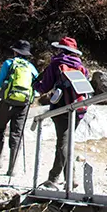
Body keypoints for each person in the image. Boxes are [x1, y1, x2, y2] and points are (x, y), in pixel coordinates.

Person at [33, 37, 89, 186]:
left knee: (63, 143)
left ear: (60, 49)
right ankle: (67, 177)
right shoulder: (81, 67)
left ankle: (57, 178)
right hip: (78, 108)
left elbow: (44, 87)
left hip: (61, 108)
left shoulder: (56, 63)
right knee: (67, 142)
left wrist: (35, 85)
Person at [0, 40, 39, 176]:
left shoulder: (9, 63)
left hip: (7, 102)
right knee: (16, 134)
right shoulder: (31, 67)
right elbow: (37, 88)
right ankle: (12, 169)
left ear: (15, 52)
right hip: (23, 105)